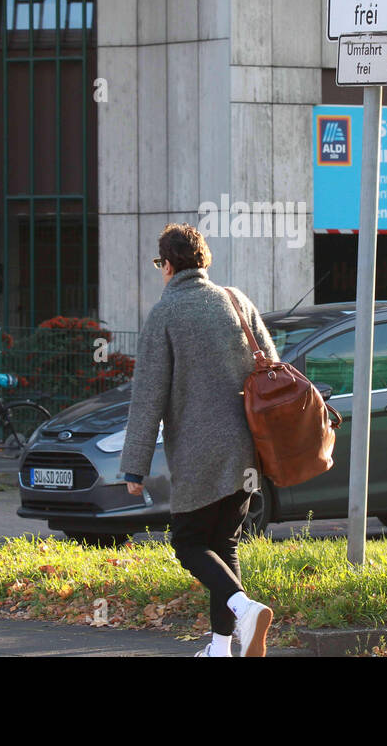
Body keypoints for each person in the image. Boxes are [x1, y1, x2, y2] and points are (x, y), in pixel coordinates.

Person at [120, 223, 278, 657]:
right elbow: (273, 368)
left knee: (188, 543)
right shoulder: (236, 300)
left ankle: (245, 608)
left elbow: (148, 394)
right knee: (224, 544)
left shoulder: (166, 313)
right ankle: (222, 649)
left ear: (168, 264)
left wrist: (134, 465)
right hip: (246, 452)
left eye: (160, 264)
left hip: (197, 453)